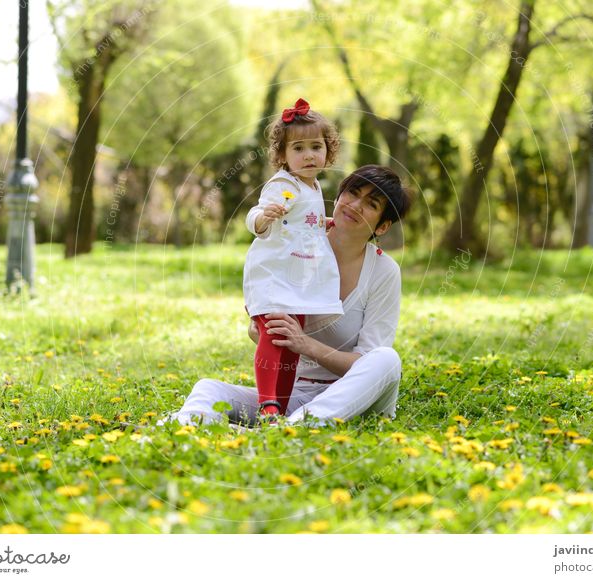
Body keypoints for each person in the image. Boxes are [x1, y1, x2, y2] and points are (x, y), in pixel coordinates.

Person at [160, 165, 411, 427]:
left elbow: (365, 364)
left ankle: (292, 429)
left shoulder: (383, 271)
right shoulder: (293, 246)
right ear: (337, 198)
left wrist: (305, 344)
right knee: (209, 389)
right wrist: (262, 328)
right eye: (353, 193)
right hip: (296, 394)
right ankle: (180, 427)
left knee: (386, 359)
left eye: (371, 204)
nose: (356, 205)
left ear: (382, 226)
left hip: (354, 398)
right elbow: (263, 335)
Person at [243, 98, 343, 419]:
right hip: (274, 277)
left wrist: (321, 223)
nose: (309, 155)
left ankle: (281, 405)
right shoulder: (285, 184)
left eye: (316, 146)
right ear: (283, 156)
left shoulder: (312, 186)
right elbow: (259, 213)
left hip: (297, 281)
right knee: (274, 336)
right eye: (298, 149)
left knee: (289, 343)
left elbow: (303, 222)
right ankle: (267, 401)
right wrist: (262, 218)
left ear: (328, 150)